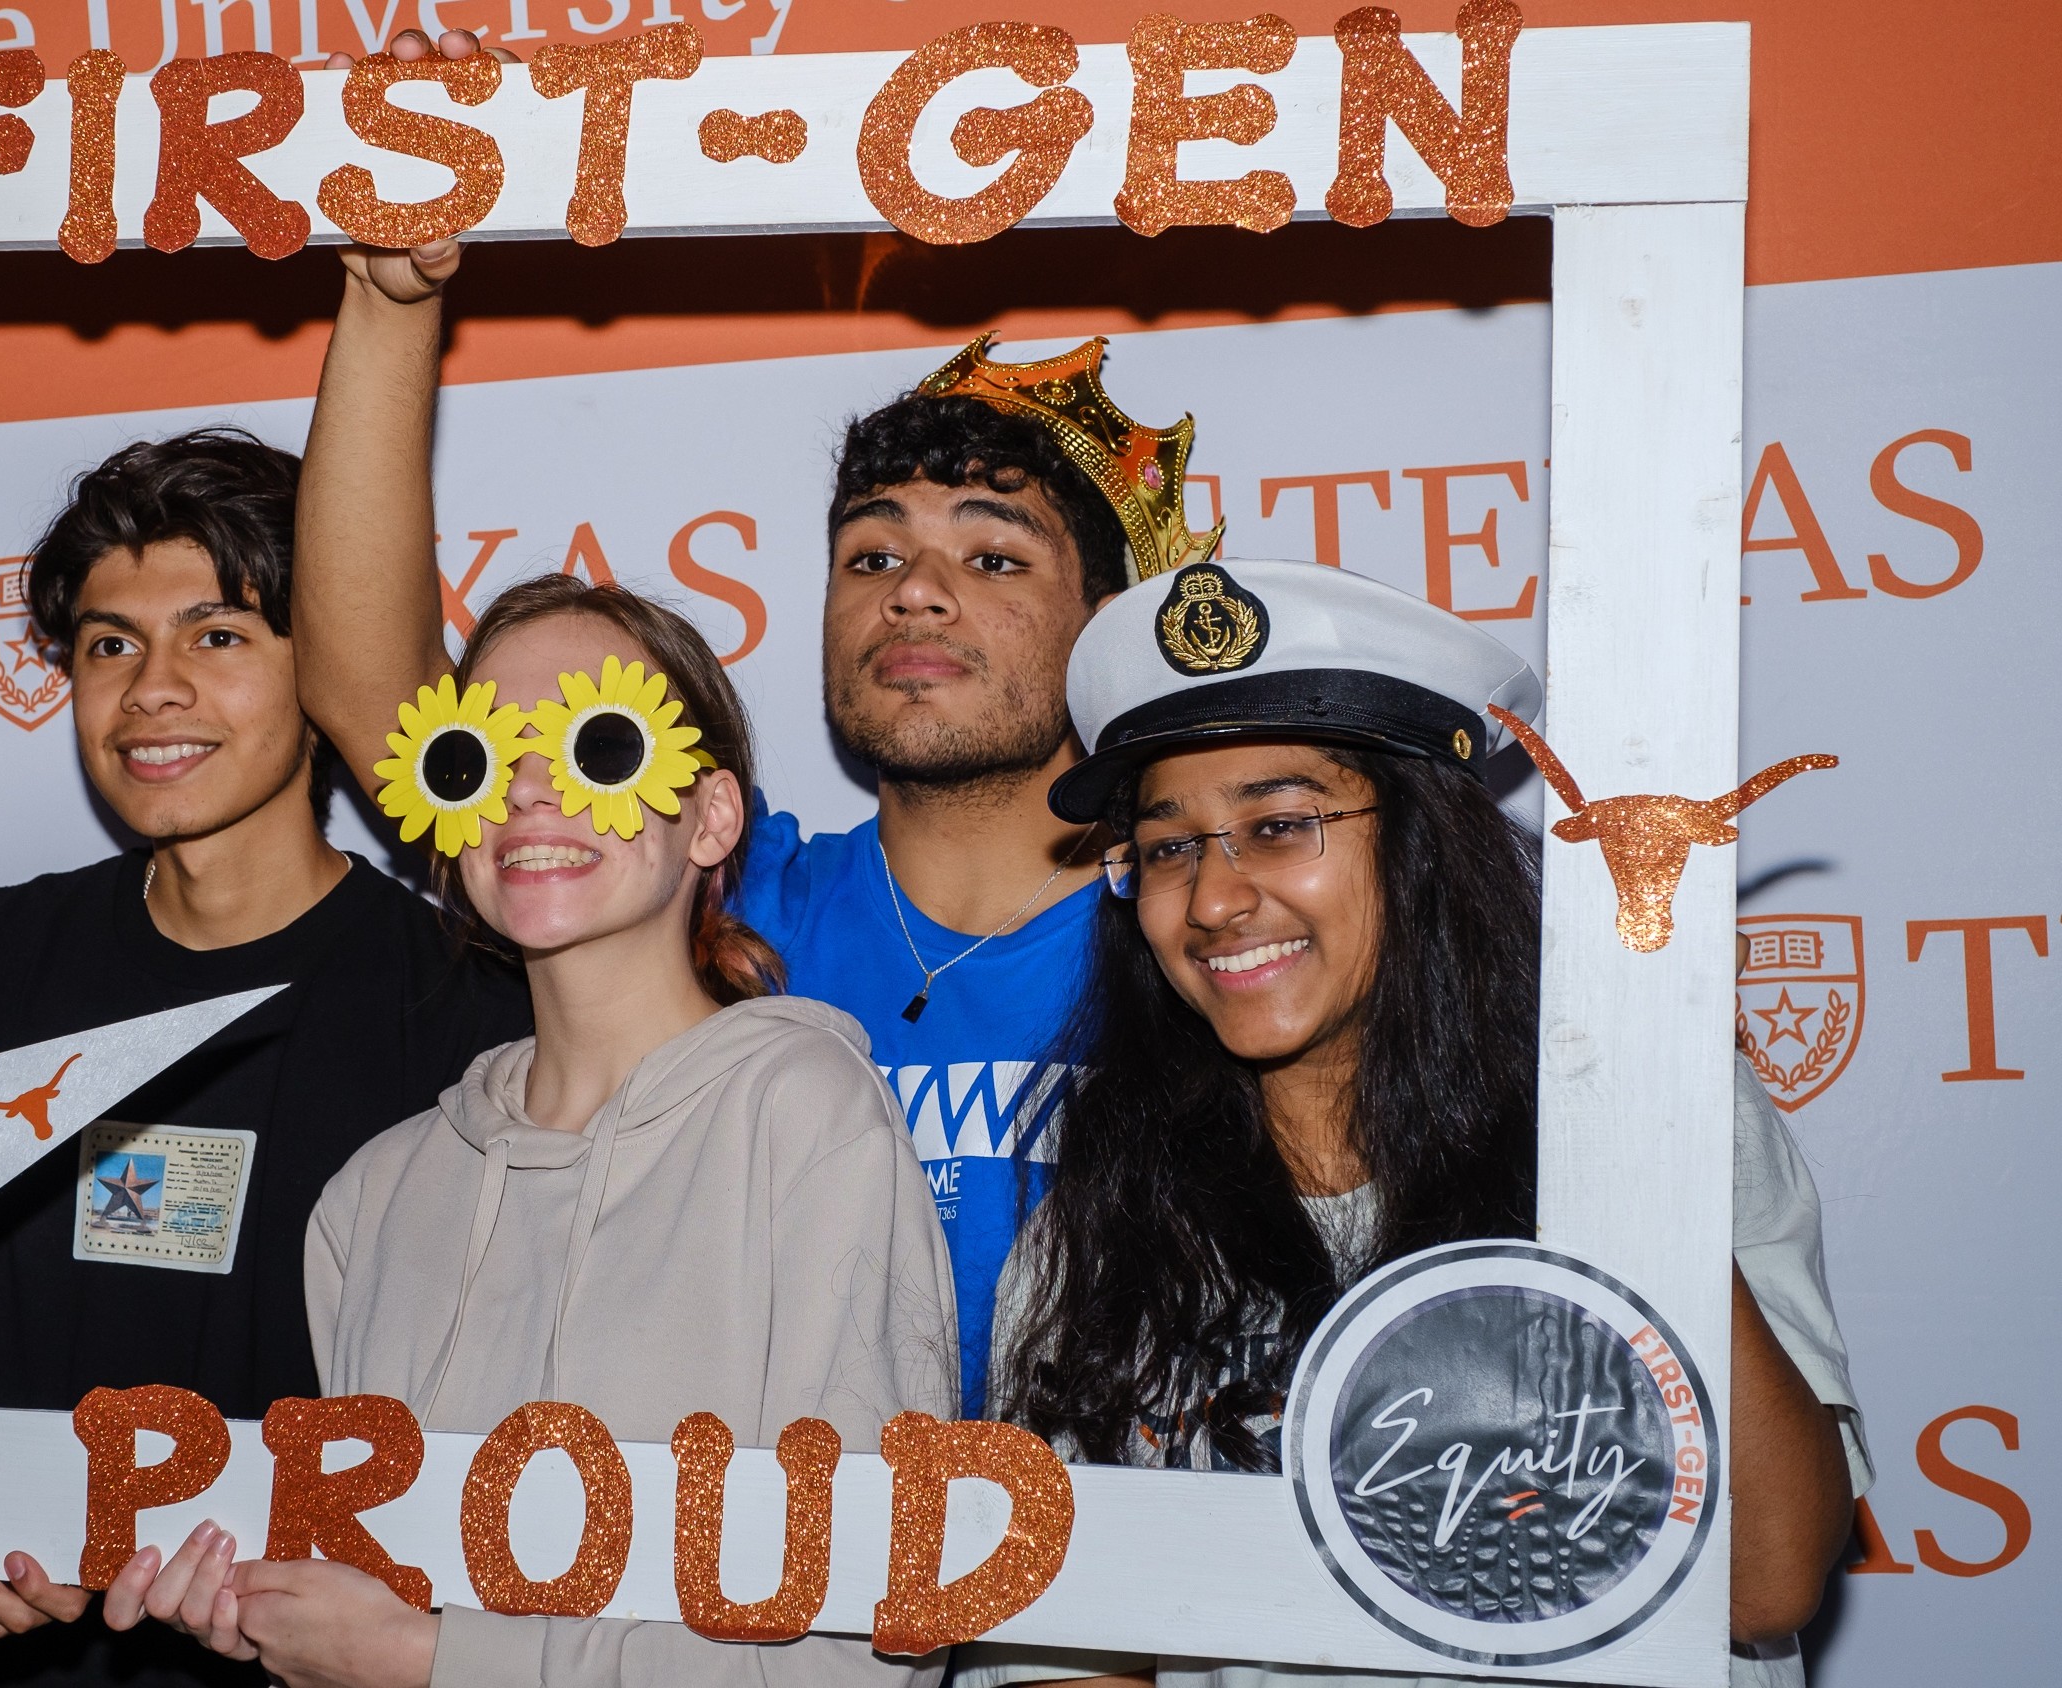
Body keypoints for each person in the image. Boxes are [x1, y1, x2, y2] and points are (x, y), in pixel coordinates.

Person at [286, 228, 1212, 1412]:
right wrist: (385, 297)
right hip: (762, 1573)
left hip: (1115, 1573)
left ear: (1109, 627)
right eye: (871, 552)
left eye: (991, 555)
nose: (914, 588)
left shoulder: (1198, 936)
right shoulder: (734, 900)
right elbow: (387, 703)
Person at [953, 560, 1864, 1687]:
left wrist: (1633, 1135)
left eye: (1281, 823)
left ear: (1422, 842)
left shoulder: (1657, 1116)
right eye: (1170, 845)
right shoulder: (1104, 1217)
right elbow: (1075, 1650)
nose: (1216, 898)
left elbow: (1766, 1575)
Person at [0, 428, 533, 1688]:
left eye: (217, 635)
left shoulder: (471, 1003)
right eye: (111, 644)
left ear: (321, 676)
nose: (152, 687)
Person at [107, 575, 956, 1687]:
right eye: (481, 759)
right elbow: (368, 1601)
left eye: (597, 746)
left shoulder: (802, 1114)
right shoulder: (374, 1195)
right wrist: (275, 1615)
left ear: (711, 816)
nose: (533, 792)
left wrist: (434, 1658)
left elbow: (867, 1655)